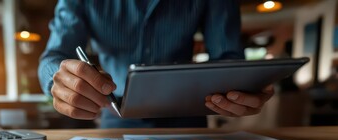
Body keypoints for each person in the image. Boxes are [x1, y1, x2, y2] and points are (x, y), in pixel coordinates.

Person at [38, 0, 274, 128]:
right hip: (117, 118)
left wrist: (242, 83)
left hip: (187, 118)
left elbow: (228, 56)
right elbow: (54, 56)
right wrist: (58, 79)